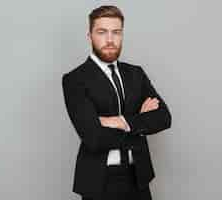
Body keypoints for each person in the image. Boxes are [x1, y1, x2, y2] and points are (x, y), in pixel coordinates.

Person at [62, 5, 172, 200]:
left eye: (116, 32)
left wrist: (117, 121)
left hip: (139, 178)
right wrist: (138, 121)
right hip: (99, 181)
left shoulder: (136, 74)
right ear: (90, 36)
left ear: (122, 35)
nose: (110, 39)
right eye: (102, 32)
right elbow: (93, 137)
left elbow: (164, 118)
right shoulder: (75, 79)